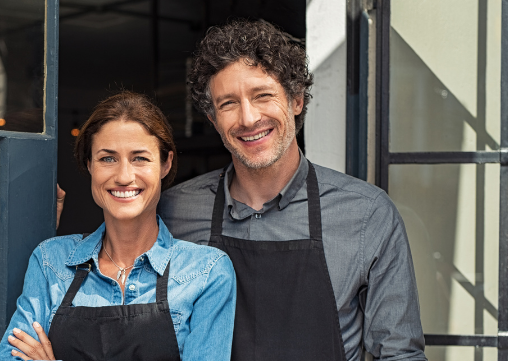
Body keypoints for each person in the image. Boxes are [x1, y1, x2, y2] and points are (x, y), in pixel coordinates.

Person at [157, 20, 427, 360]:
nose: (248, 118)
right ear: (213, 120)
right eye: (228, 104)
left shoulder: (365, 214)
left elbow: (400, 355)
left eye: (263, 95)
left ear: (296, 100)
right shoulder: (173, 212)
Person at [0, 91, 236, 361]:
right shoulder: (51, 261)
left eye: (140, 158)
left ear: (166, 164)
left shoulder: (206, 271)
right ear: (89, 165)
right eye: (107, 158)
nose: (123, 176)